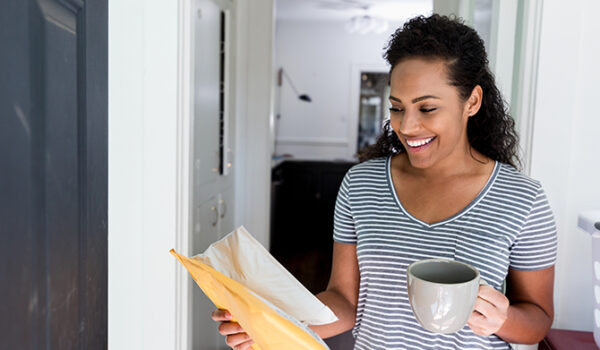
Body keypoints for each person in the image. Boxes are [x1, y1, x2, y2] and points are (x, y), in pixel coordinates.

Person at [212, 14, 557, 349]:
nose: (406, 126)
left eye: (427, 108)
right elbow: (344, 301)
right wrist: (274, 321)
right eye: (397, 107)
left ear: (472, 102)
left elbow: (538, 320)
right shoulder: (361, 185)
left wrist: (504, 319)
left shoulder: (523, 199)